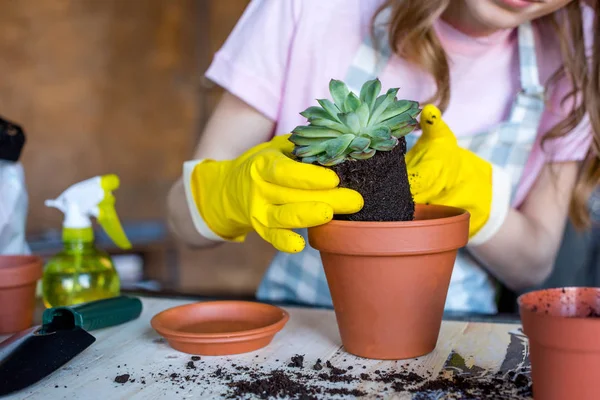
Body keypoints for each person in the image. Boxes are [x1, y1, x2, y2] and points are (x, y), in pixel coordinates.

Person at [167, 0, 599, 314]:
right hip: (298, 321)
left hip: (458, 334)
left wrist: (476, 199)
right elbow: (182, 221)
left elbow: (536, 263)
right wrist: (226, 194)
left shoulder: (576, 46)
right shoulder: (308, 9)